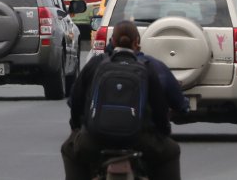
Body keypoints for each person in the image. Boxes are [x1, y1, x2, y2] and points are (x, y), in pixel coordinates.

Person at [62, 21, 182, 180]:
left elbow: (75, 102)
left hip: (96, 138)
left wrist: (77, 128)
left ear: (112, 41)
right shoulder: (147, 67)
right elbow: (160, 109)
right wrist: (163, 132)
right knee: (171, 151)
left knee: (68, 150)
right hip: (138, 139)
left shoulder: (96, 64)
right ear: (136, 43)